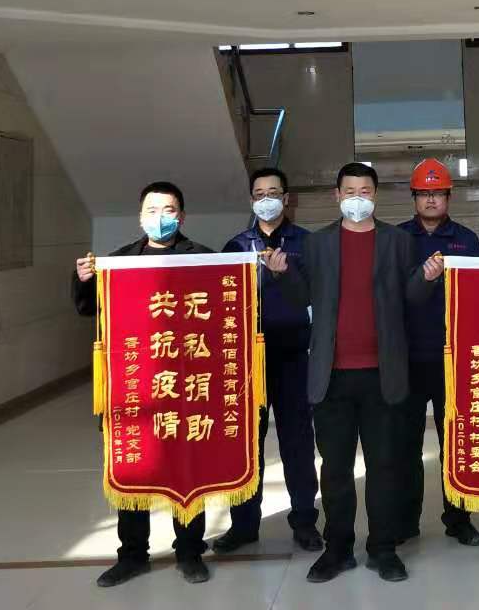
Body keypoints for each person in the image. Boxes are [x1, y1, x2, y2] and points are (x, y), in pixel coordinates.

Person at [261, 162, 438, 585]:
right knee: (336, 468)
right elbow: (304, 297)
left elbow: (411, 296)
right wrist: (282, 274)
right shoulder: (319, 243)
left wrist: (428, 279)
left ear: (375, 196)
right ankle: (337, 548)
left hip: (383, 372)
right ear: (337, 196)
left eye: (365, 191)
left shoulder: (398, 241)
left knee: (384, 467)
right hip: (332, 374)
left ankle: (383, 548)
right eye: (350, 191)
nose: (358, 198)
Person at [72, 182, 217, 589]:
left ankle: (189, 551)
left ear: (182, 217)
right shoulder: (119, 262)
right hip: (135, 385)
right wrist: (83, 280)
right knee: (133, 468)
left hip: (186, 387)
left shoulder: (203, 258)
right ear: (139, 217)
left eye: (168, 210)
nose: (160, 218)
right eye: (152, 210)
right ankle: (132, 555)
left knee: (187, 471)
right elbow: (88, 309)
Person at [212, 167, 324, 555]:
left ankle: (304, 520)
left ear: (287, 198)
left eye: (274, 193)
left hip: (295, 355)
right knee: (246, 445)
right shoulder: (236, 246)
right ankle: (244, 525)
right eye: (259, 194)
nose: (267, 200)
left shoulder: (308, 243)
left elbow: (315, 294)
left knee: (298, 443)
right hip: (247, 361)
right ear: (251, 200)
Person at [397, 158, 479, 547]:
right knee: (406, 444)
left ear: (449, 196)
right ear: (414, 197)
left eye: (437, 193)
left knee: (457, 442)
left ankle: (458, 519)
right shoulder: (397, 238)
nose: (431, 200)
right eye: (424, 193)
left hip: (454, 358)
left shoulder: (467, 240)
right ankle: (406, 520)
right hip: (408, 357)